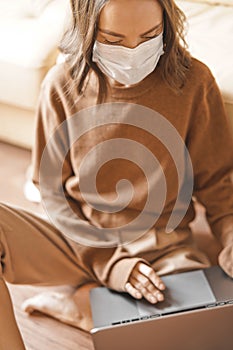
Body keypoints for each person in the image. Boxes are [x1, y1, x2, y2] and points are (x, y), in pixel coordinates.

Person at [0, 0, 233, 348]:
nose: (133, 52)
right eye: (113, 39)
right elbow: (50, 194)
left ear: (167, 25)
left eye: (150, 35)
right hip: (78, 242)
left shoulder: (194, 82)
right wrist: (111, 264)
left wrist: (231, 237)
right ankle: (96, 303)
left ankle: (85, 308)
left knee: (204, 331)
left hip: (161, 247)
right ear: (87, 31)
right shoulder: (60, 86)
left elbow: (218, 183)